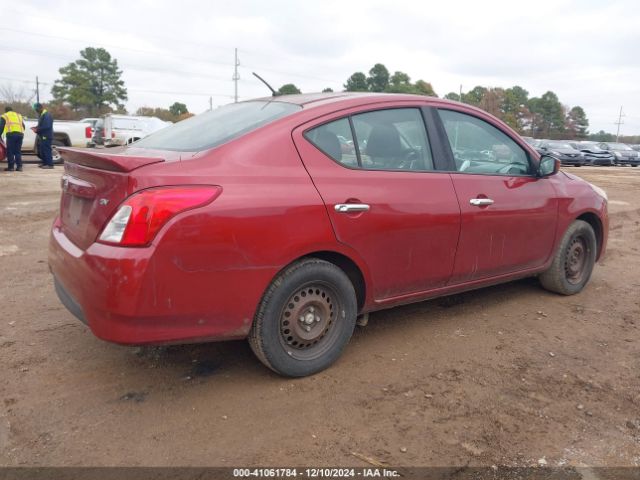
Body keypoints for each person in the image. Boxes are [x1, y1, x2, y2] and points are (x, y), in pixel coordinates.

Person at [0, 106, 25, 172]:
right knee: (18, 151)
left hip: (11, 135)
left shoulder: (5, 115)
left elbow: (1, 126)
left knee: (10, 151)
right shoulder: (18, 115)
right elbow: (23, 126)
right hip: (20, 134)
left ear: (6, 111)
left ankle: (11, 167)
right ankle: (19, 167)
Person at [33, 103, 54, 169]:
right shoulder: (42, 115)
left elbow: (47, 126)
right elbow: (42, 125)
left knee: (46, 150)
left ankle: (50, 165)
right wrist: (36, 127)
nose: (36, 111)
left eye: (36, 109)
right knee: (42, 150)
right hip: (43, 135)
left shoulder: (46, 115)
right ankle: (45, 163)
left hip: (46, 135)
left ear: (40, 108)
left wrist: (37, 130)